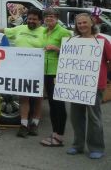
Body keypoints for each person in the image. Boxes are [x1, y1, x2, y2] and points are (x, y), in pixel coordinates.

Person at [66, 13, 110, 159]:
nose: (82, 25)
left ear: (92, 23)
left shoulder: (102, 40)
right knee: (76, 116)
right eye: (79, 23)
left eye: (85, 22)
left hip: (95, 85)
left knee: (94, 117)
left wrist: (106, 75)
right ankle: (77, 145)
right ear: (76, 26)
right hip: (76, 85)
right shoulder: (73, 40)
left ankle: (96, 147)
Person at [1, 8, 46, 138]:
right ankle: (24, 124)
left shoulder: (45, 32)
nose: (31, 21)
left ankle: (34, 124)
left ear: (40, 21)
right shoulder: (20, 29)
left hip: (39, 70)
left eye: (34, 19)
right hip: (22, 70)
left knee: (38, 98)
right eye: (29, 18)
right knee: (23, 98)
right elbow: (2, 30)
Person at [40, 8, 72, 146]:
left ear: (57, 18)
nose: (49, 18)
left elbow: (72, 53)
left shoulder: (64, 32)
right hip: (45, 72)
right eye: (46, 16)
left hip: (57, 72)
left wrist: (57, 49)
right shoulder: (44, 31)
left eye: (52, 16)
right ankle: (55, 133)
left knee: (58, 104)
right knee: (52, 104)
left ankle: (59, 136)